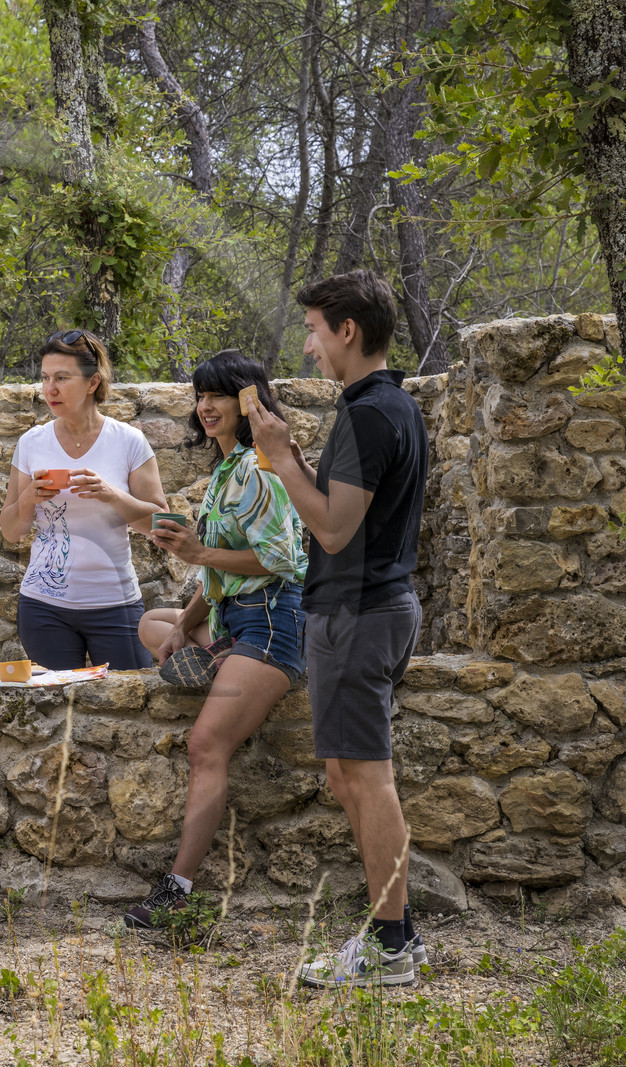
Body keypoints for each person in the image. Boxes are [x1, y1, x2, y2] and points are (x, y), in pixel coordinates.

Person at [249, 270, 430, 987]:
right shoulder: (396, 407)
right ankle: (397, 935)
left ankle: (391, 945)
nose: (308, 344)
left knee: (368, 776)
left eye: (314, 329)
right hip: (367, 609)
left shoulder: (368, 414)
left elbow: (329, 528)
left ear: (346, 331)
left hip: (359, 614)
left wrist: (278, 455)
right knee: (346, 774)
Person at [123, 351, 308, 929]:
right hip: (234, 617)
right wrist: (184, 623)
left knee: (205, 746)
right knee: (154, 623)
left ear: (249, 403)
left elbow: (281, 561)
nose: (205, 406)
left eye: (219, 395)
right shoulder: (226, 472)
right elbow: (217, 576)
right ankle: (212, 651)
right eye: (200, 395)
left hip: (273, 624)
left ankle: (177, 888)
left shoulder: (258, 467)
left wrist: (199, 552)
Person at [0, 329, 166, 670]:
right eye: (45, 378)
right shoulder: (31, 443)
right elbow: (11, 531)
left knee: (127, 709)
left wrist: (112, 494)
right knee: (57, 713)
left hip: (115, 604)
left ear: (92, 383)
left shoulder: (129, 442)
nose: (50, 389)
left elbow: (161, 523)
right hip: (43, 608)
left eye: (62, 378)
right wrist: (29, 497)